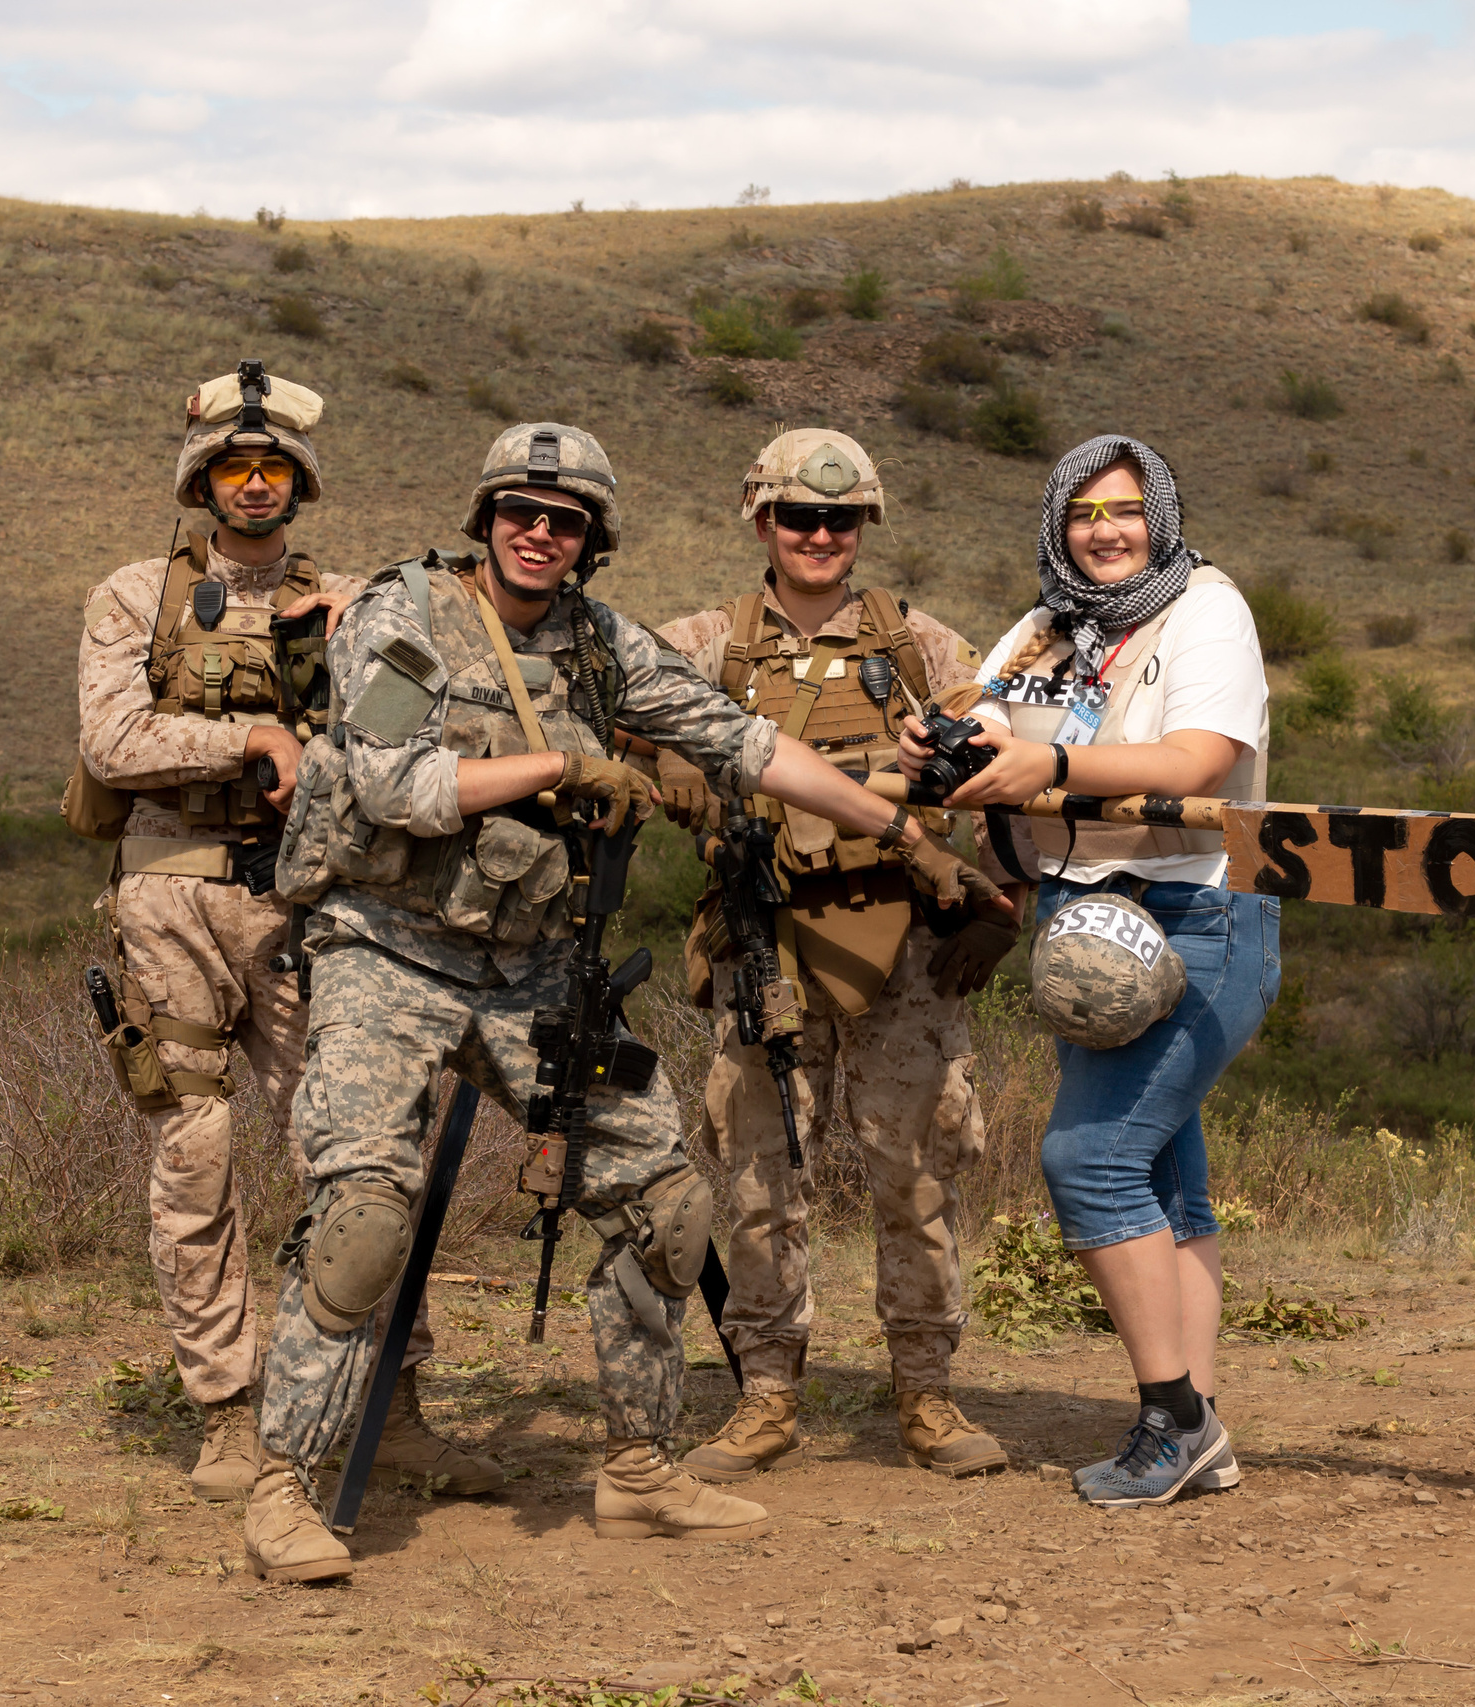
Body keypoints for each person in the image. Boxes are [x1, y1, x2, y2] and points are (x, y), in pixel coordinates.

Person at [240, 421, 1013, 1582]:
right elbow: (392, 784)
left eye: (565, 521)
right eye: (520, 513)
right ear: (485, 519)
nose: (539, 534)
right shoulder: (403, 615)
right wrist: (559, 766)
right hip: (384, 947)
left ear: (592, 540)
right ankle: (284, 1485)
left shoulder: (602, 645)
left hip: (531, 961)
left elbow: (748, 746)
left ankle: (641, 1467)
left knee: (660, 1198)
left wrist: (906, 834)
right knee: (362, 1220)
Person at [72, 364, 498, 1507]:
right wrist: (255, 737)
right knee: (194, 1156)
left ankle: (391, 1404)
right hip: (169, 901)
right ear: (202, 481)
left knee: (359, 1155)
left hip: (314, 907)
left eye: (273, 468)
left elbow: (413, 728)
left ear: (298, 485)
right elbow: (112, 741)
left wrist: (344, 669)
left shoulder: (360, 601)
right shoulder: (132, 597)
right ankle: (225, 1408)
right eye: (233, 468)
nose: (253, 485)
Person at [899, 433, 1276, 1509]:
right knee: (1164, 1177)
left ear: (1158, 512)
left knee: (1091, 1159)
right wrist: (953, 743)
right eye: (1082, 513)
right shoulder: (1044, 626)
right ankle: (1194, 1425)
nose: (1104, 531)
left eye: (1123, 509)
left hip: (1196, 910)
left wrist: (1048, 766)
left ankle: (1173, 1419)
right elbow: (982, 706)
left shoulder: (1207, 608)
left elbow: (1195, 760)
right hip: (1085, 921)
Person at [650, 428, 1018, 1484]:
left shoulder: (925, 651)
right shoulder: (700, 646)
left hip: (904, 945)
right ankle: (765, 1393)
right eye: (799, 517)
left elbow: (990, 775)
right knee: (760, 1170)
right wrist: (668, 765)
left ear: (863, 526)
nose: (819, 536)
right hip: (762, 939)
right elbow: (615, 711)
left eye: (840, 519)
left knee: (919, 1169)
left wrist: (998, 899)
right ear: (761, 519)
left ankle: (928, 1393)